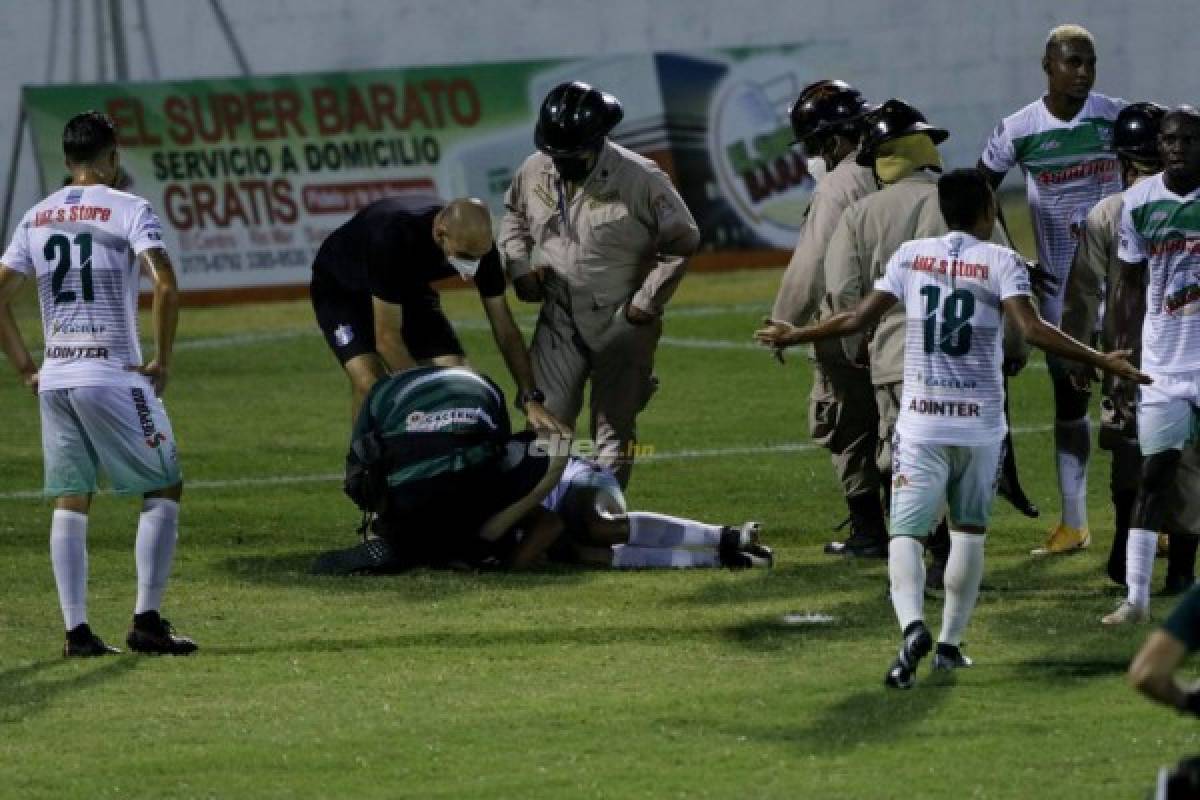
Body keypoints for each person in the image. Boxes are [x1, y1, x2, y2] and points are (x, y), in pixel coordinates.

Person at [756, 169, 1147, 688]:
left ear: (943, 208)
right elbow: (1031, 330)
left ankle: (912, 624)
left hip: (920, 420)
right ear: (988, 209)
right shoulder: (1000, 260)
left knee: (906, 533)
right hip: (978, 424)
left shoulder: (911, 256)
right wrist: (1102, 358)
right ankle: (949, 644)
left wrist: (795, 332)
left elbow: (856, 317)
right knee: (968, 533)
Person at [0, 111, 196, 656]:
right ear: (112, 158)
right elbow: (166, 284)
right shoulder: (130, 208)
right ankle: (147, 620)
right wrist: (162, 358)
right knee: (163, 485)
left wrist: (24, 367)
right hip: (112, 373)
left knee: (72, 497)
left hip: (57, 377)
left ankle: (76, 631)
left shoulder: (35, 216)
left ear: (67, 161)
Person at [498, 81, 700, 488]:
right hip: (559, 314)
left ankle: (601, 521)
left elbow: (683, 242)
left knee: (613, 429)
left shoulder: (641, 178)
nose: (559, 162)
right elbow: (514, 218)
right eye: (554, 153)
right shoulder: (534, 168)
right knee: (546, 420)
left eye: (570, 155)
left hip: (622, 318)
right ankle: (545, 518)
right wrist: (518, 267)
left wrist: (646, 302)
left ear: (598, 140)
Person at [978, 24, 1126, 555]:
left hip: (1127, 285)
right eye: (1072, 62)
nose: (1083, 72)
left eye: (1089, 62)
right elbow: (980, 196)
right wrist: (1015, 258)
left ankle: (1160, 523)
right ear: (1048, 65)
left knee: (1152, 402)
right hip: (1063, 293)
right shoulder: (1018, 130)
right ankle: (1074, 523)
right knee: (1070, 403)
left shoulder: (1117, 118)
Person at [1059, 102, 1200, 593]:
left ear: (1122, 159)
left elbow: (1084, 292)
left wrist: (1080, 353)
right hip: (1184, 347)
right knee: (1185, 464)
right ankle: (1181, 567)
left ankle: (1124, 552)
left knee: (1128, 451)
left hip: (1128, 352)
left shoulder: (1108, 211)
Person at [309, 194, 565, 434]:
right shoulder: (393, 237)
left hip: (406, 286)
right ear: (440, 233)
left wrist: (530, 396)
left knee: (459, 379)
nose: (470, 269)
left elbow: (506, 329)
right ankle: (361, 470)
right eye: (464, 256)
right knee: (370, 383)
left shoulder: (478, 249)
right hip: (342, 288)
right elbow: (387, 341)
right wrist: (427, 401)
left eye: (478, 257)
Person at [768, 79, 886, 558]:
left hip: (849, 325)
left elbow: (812, 261)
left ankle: (869, 532)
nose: (813, 156)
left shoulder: (839, 183)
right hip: (906, 322)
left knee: (846, 424)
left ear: (835, 141)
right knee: (899, 427)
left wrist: (784, 322)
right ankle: (918, 534)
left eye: (816, 145)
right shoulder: (898, 168)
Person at [311, 365, 569, 574]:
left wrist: (381, 516)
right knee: (557, 443)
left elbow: (358, 468)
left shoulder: (383, 389)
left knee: (390, 472)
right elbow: (499, 451)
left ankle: (400, 542)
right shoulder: (482, 383)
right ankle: (475, 546)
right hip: (468, 495)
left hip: (405, 499)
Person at [1104, 107, 1200, 625]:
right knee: (1155, 474)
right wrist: (1119, 351)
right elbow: (1128, 285)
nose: (1176, 147)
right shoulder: (1138, 202)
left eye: (1187, 139)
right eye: (1168, 139)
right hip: (1163, 364)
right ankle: (1137, 599)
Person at [536, 455, 773, 569]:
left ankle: (729, 536)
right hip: (550, 512)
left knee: (598, 525)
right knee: (585, 556)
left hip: (575, 480)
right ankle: (725, 559)